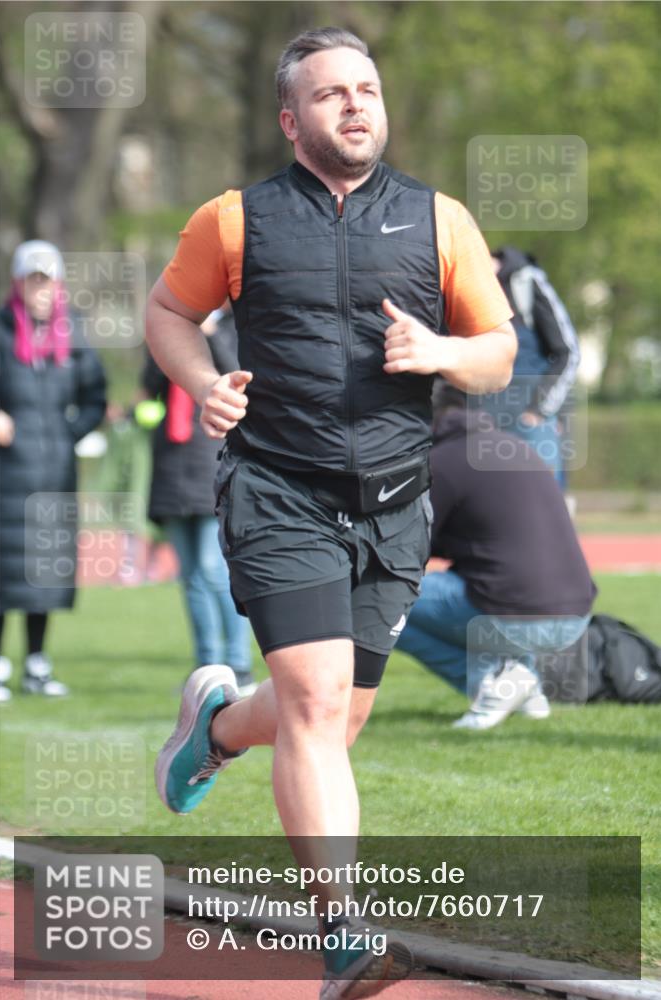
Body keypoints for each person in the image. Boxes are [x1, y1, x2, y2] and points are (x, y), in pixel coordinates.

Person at [146, 28, 516, 997]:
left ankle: (218, 728)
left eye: (366, 89)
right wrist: (202, 383)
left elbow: (499, 351)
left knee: (333, 723)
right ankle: (346, 936)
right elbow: (167, 314)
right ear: (290, 118)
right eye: (329, 94)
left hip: (395, 505)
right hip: (279, 490)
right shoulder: (234, 221)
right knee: (313, 706)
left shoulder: (440, 220)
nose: (354, 106)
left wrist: (439, 354)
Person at [395, 382, 596, 729]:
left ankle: (493, 683)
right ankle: (523, 684)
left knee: (383, 603)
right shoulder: (514, 447)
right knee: (485, 587)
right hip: (576, 615)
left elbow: (410, 546)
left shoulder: (441, 461)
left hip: (515, 613)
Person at [0, 240, 107, 701]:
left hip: (55, 474)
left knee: (44, 571)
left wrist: (67, 435)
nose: (41, 289)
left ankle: (37, 664)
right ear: (18, 283)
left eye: (48, 281)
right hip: (5, 476)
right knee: (1, 569)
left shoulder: (73, 334)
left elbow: (95, 398)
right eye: (33, 280)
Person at [142, 307, 255, 693]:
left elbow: (238, 376)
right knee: (190, 574)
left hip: (212, 463)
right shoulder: (172, 325)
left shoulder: (235, 327)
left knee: (213, 570)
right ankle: (208, 664)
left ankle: (238, 663)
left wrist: (207, 333)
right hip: (172, 468)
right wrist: (171, 336)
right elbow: (150, 382)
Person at [483, 247, 580, 481]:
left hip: (527, 424)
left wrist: (538, 412)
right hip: (479, 426)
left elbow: (568, 352)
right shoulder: (456, 286)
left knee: (544, 509)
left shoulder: (525, 280)